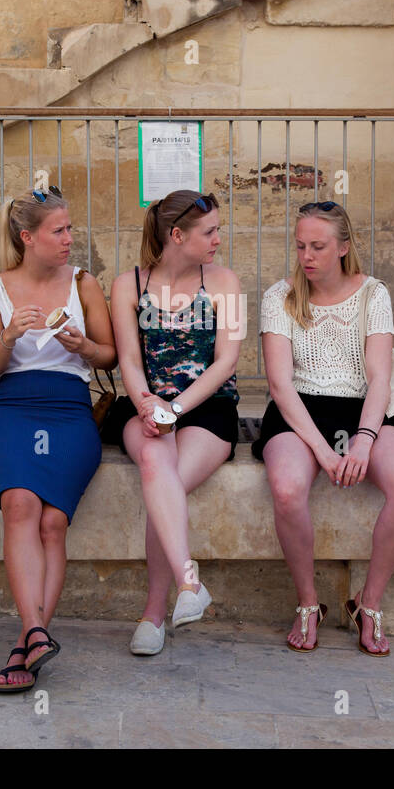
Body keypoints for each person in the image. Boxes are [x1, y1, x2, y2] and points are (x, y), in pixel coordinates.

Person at [251, 201, 394, 656]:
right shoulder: (280, 296)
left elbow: (380, 378)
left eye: (319, 246)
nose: (307, 255)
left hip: (362, 410)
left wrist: (364, 440)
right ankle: (308, 604)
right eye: (301, 245)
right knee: (288, 488)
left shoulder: (373, 294)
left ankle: (368, 605)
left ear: (343, 247)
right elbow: (279, 385)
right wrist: (325, 454)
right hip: (298, 412)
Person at [0, 186, 117, 692]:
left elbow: (110, 356)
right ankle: (34, 633)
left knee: (54, 521)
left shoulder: (85, 284)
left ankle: (27, 640)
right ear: (28, 237)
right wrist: (9, 337)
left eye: (70, 228)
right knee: (20, 505)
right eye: (59, 231)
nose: (69, 239)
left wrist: (83, 347)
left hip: (69, 411)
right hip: (14, 409)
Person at [108, 190, 243, 655]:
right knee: (155, 467)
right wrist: (148, 404)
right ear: (177, 235)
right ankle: (188, 586)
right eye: (210, 232)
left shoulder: (226, 282)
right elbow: (127, 356)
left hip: (208, 406)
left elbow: (226, 362)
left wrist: (176, 409)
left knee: (164, 484)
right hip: (145, 403)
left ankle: (152, 614)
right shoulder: (129, 285)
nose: (218, 241)